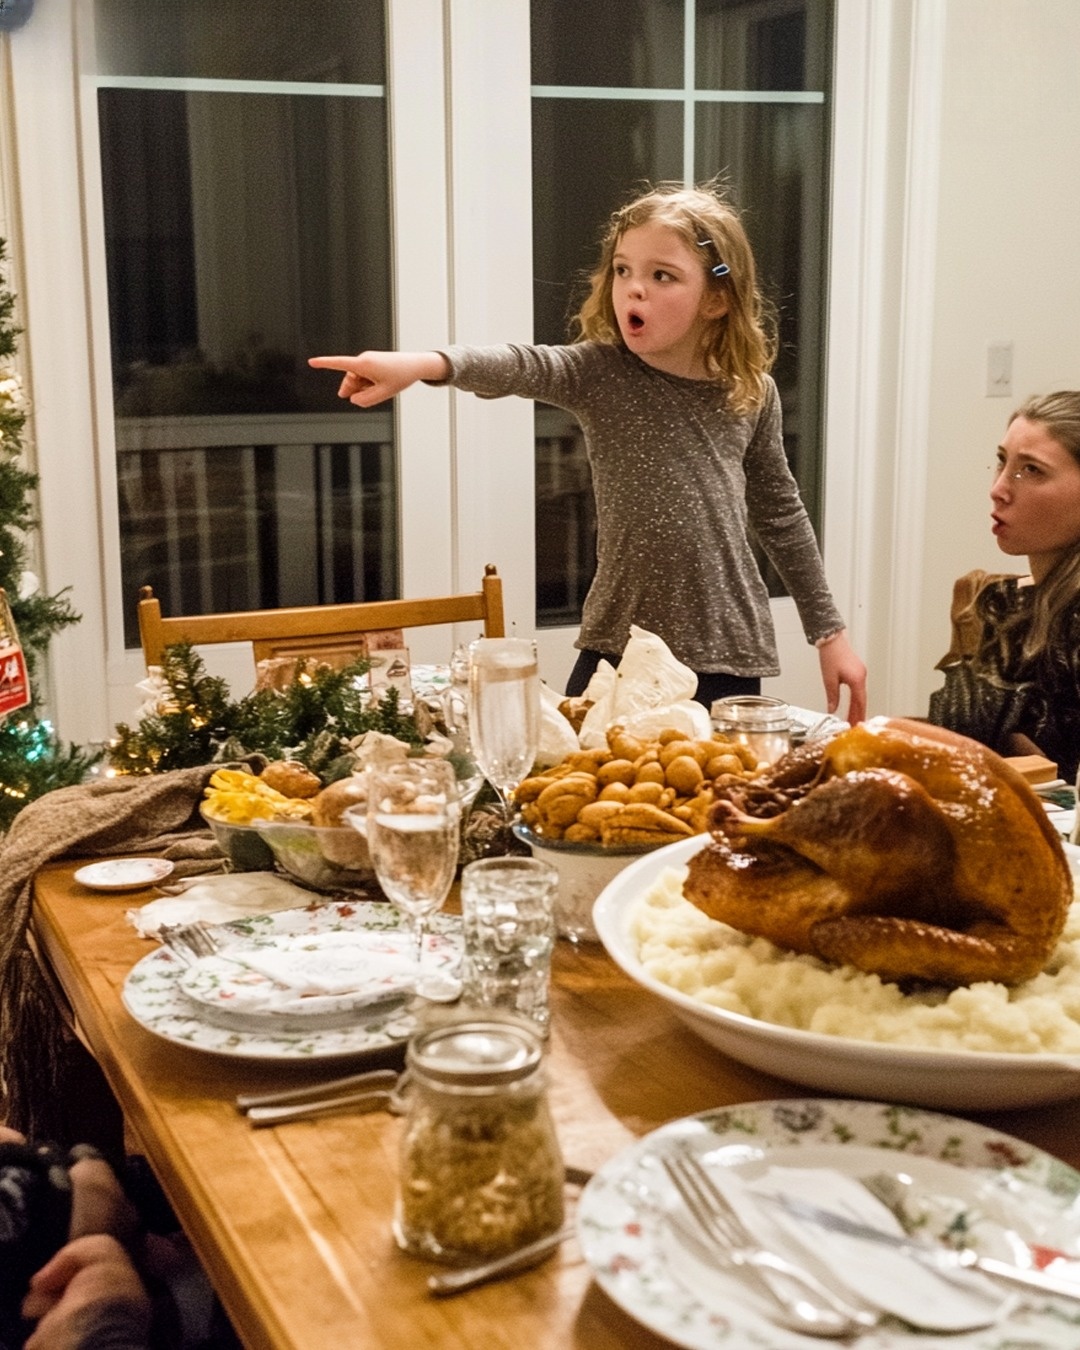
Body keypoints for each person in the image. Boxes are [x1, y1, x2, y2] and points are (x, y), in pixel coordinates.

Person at [310, 182, 867, 723]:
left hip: (725, 647)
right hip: (617, 643)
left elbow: (781, 514)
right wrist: (424, 365)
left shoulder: (751, 391)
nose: (634, 288)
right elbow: (520, 363)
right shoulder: (601, 374)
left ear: (717, 298)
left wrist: (830, 634)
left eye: (661, 275)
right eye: (623, 269)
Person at [927, 391, 1080, 782]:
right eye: (1002, 461)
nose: (999, 488)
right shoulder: (1003, 603)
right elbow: (962, 741)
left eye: (1031, 470)